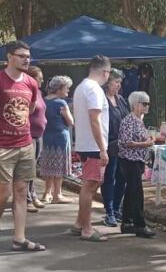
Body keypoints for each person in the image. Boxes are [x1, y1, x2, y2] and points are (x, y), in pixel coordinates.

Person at [0, 40, 45, 252]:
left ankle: (19, 237)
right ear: (9, 57)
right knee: (4, 191)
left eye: (28, 56)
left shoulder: (31, 83)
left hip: (25, 144)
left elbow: (31, 108)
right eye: (21, 56)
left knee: (21, 191)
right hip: (3, 146)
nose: (26, 59)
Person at [70, 55, 111, 242]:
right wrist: (102, 148)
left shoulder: (82, 87)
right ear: (105, 72)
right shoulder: (93, 89)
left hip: (87, 143)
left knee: (90, 184)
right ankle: (87, 228)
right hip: (94, 145)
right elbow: (95, 120)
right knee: (91, 185)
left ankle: (80, 223)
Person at [117, 91, 156, 238]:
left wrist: (147, 140)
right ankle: (140, 225)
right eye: (144, 104)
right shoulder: (129, 120)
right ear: (135, 105)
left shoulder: (139, 120)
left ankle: (127, 221)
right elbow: (126, 142)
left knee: (131, 191)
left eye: (148, 104)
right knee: (137, 192)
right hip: (129, 160)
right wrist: (145, 143)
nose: (147, 107)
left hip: (137, 160)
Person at [100, 69, 129, 226]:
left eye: (119, 83)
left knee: (122, 178)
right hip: (108, 144)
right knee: (109, 178)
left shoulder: (121, 100)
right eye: (116, 82)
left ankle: (117, 208)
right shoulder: (102, 99)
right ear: (107, 83)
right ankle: (109, 211)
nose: (118, 85)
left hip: (123, 145)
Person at [40, 76, 74, 204]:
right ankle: (57, 194)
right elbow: (71, 121)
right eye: (66, 88)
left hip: (47, 136)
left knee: (49, 164)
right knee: (59, 166)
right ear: (59, 89)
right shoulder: (61, 103)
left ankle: (46, 192)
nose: (68, 91)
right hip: (60, 136)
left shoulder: (44, 101)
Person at [25, 66, 47, 213]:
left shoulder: (38, 92)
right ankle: (26, 198)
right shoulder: (27, 92)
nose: (42, 81)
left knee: (33, 168)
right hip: (29, 134)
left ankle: (33, 194)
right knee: (27, 168)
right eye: (40, 78)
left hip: (39, 135)